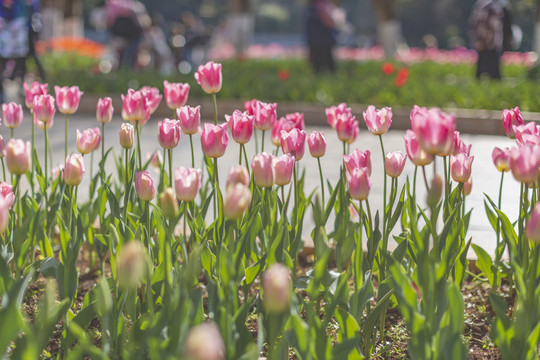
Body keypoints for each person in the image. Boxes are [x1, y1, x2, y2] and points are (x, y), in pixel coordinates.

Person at [0, 0, 42, 103]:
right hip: (4, 41)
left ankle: (22, 90)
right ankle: (2, 93)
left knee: (22, 64)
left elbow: (31, 18)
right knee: (2, 66)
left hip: (21, 41)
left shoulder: (22, 3)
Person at [469, 0, 511, 79]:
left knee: (483, 72)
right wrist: (484, 39)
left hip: (488, 41)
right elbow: (488, 25)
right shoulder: (491, 6)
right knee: (493, 74)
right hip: (488, 42)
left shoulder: (483, 4)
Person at [305, 0, 337, 74]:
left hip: (315, 43)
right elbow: (330, 23)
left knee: (317, 70)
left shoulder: (310, 8)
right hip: (323, 44)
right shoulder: (322, 6)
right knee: (330, 70)